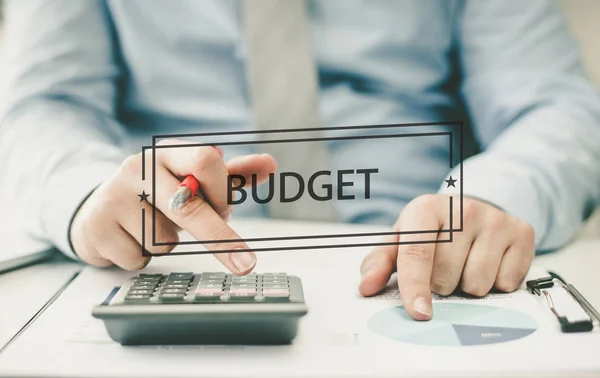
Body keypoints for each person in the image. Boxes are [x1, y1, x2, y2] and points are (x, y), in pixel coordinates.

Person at [1, 0, 599, 321]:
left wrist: (492, 198)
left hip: (415, 267)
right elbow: (40, 110)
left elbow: (556, 105)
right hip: (167, 264)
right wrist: (86, 197)